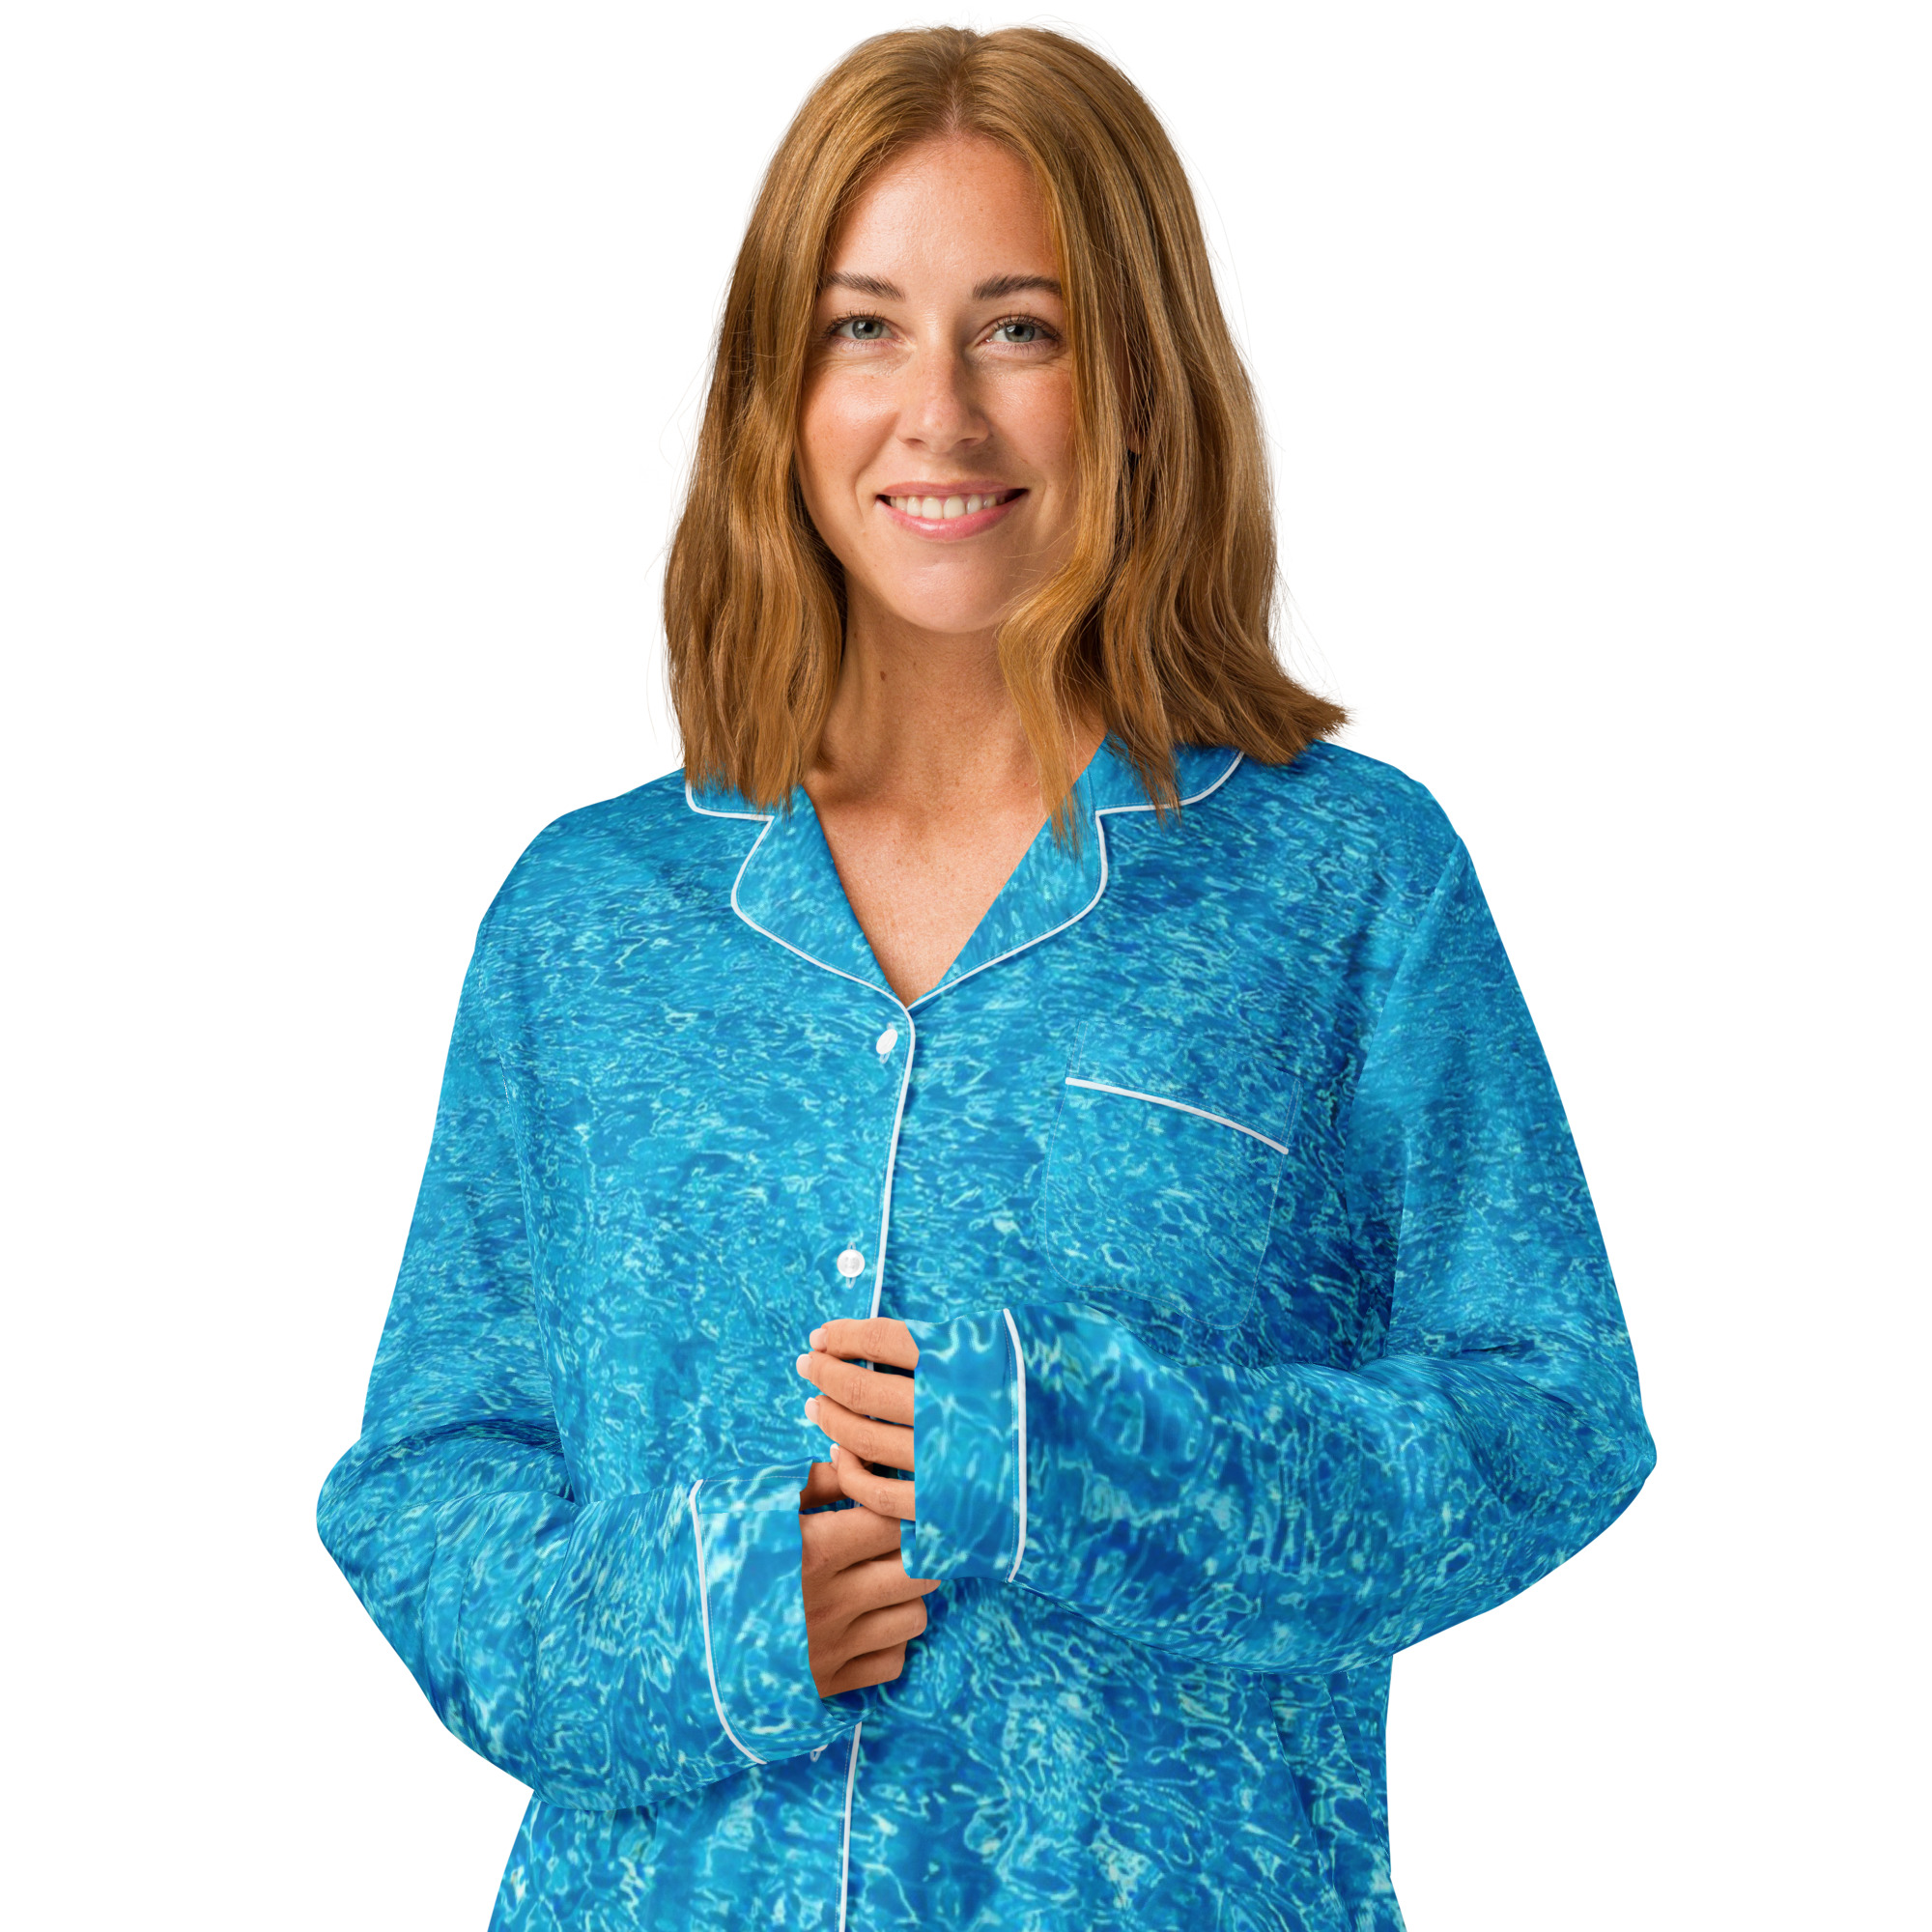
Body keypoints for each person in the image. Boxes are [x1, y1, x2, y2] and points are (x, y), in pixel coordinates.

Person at [317, 24, 1656, 1930]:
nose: (935, 413)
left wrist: (1086, 1456)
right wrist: (702, 1628)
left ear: (1139, 385)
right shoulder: (589, 918)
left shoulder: (1344, 881)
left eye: (1019, 329)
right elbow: (427, 1475)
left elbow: (1548, 1419)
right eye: (861, 330)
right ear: (776, 393)